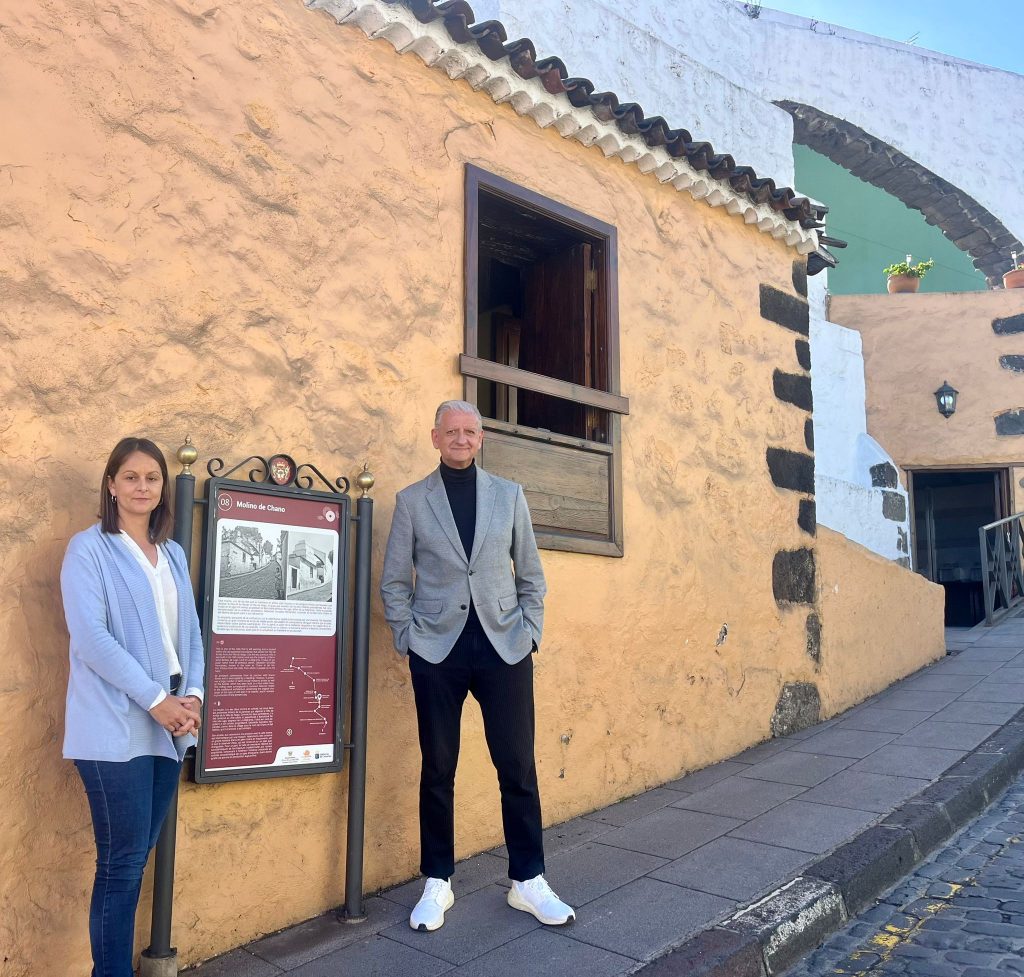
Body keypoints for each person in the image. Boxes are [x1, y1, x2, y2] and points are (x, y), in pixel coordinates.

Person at [381, 400, 574, 931]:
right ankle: (437, 881)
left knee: (516, 764)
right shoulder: (412, 501)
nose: (461, 439)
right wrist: (408, 638)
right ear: (436, 437)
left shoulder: (508, 496)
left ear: (481, 437)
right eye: (451, 431)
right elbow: (395, 581)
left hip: (504, 647)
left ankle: (528, 880)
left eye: (470, 431)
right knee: (438, 767)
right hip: (437, 652)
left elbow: (531, 572)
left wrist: (530, 630)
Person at [61, 437, 205, 977]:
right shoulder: (89, 549)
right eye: (131, 477)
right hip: (114, 724)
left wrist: (192, 695)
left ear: (162, 487)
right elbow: (91, 639)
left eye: (151, 477)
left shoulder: (170, 554)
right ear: (111, 485)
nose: (141, 486)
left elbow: (188, 632)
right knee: (121, 867)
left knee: (134, 859)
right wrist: (156, 700)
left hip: (169, 722)